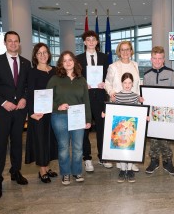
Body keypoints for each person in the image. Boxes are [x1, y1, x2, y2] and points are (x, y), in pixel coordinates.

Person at [0, 31, 31, 200]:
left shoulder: (26, 63)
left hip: (19, 111)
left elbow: (27, 85)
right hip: (1, 111)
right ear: (5, 43)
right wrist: (3, 102)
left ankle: (15, 172)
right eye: (9, 41)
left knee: (17, 142)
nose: (13, 44)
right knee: (1, 146)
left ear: (19, 43)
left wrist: (25, 98)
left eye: (15, 41)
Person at [47, 51, 92, 185]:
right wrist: (57, 106)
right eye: (64, 60)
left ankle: (77, 171)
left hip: (78, 117)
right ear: (61, 63)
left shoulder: (81, 80)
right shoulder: (55, 79)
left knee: (78, 147)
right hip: (59, 117)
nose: (67, 62)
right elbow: (45, 98)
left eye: (70, 60)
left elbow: (86, 101)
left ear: (74, 62)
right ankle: (65, 173)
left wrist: (88, 120)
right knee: (63, 147)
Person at [76, 30, 112, 171]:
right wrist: (82, 84)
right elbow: (76, 76)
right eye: (88, 39)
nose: (91, 42)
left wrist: (105, 83)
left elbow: (108, 77)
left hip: (101, 97)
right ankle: (87, 158)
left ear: (97, 42)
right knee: (85, 128)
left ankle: (103, 157)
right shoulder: (78, 58)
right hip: (84, 98)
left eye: (93, 39)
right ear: (84, 42)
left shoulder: (104, 58)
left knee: (102, 128)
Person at [105, 40, 140, 172]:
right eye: (122, 49)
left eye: (128, 49)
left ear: (131, 51)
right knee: (120, 133)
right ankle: (121, 160)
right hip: (118, 103)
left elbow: (137, 85)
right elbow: (107, 82)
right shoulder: (113, 66)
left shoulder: (135, 65)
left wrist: (139, 101)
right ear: (119, 52)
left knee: (132, 132)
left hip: (133, 104)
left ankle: (131, 161)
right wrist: (111, 93)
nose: (125, 52)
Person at [143, 46, 174, 176]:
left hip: (167, 111)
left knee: (165, 138)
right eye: (155, 58)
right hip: (152, 112)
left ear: (164, 59)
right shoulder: (147, 75)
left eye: (160, 58)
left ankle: (168, 161)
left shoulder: (170, 73)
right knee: (153, 137)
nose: (157, 61)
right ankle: (154, 161)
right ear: (151, 59)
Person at [25, 43, 58, 183]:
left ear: (49, 54)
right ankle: (42, 170)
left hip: (53, 112)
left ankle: (47, 166)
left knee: (51, 139)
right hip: (38, 113)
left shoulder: (55, 71)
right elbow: (29, 94)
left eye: (45, 52)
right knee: (40, 140)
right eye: (39, 53)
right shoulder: (31, 72)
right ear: (35, 56)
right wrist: (31, 112)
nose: (43, 55)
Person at [103, 72, 143, 183]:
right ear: (121, 83)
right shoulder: (117, 96)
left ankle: (129, 170)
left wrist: (145, 116)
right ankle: (122, 169)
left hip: (131, 129)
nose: (127, 85)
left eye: (130, 83)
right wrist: (106, 114)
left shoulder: (135, 97)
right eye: (125, 82)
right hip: (120, 129)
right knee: (121, 147)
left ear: (132, 84)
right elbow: (113, 110)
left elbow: (139, 112)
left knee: (130, 147)